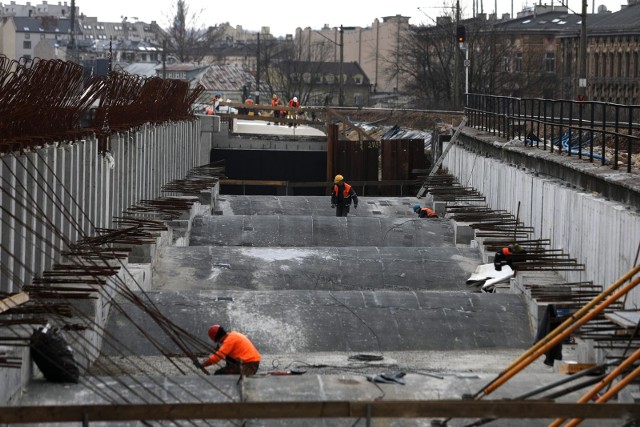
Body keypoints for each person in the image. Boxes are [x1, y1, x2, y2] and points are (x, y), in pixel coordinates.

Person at [195, 325, 261, 376]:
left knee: (219, 374)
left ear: (217, 339)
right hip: (251, 363)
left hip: (249, 366)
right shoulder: (232, 335)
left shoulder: (229, 340)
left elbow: (217, 357)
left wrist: (203, 364)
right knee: (228, 357)